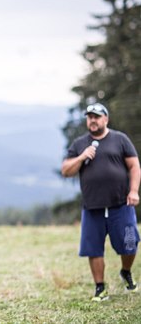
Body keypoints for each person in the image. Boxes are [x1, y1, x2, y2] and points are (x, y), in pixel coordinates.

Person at [61, 103, 141, 301]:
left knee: (130, 244)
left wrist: (133, 191)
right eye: (89, 117)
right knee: (93, 248)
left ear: (106, 119)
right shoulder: (80, 144)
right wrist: (81, 157)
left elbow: (134, 166)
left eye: (97, 116)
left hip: (121, 205)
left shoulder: (120, 139)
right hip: (92, 207)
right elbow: (66, 170)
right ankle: (100, 288)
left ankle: (125, 271)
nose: (93, 120)